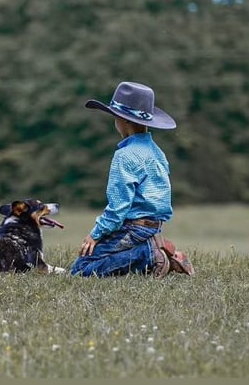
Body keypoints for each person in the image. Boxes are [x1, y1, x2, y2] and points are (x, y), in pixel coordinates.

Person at [70, 81, 194, 278]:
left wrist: (96, 234)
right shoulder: (157, 152)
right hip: (153, 226)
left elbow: (118, 208)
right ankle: (150, 251)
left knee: (80, 270)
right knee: (98, 260)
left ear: (122, 120)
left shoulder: (125, 156)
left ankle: (149, 255)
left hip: (133, 227)